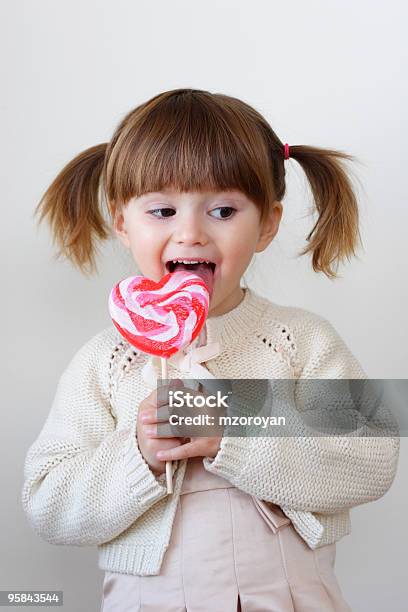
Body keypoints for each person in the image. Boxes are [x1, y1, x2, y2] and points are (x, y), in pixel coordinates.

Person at [21, 88, 399, 611]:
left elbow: (373, 457)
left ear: (267, 223)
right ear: (122, 222)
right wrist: (137, 454)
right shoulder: (106, 362)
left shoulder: (300, 339)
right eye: (162, 210)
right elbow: (47, 504)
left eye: (223, 210)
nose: (191, 233)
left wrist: (238, 426)